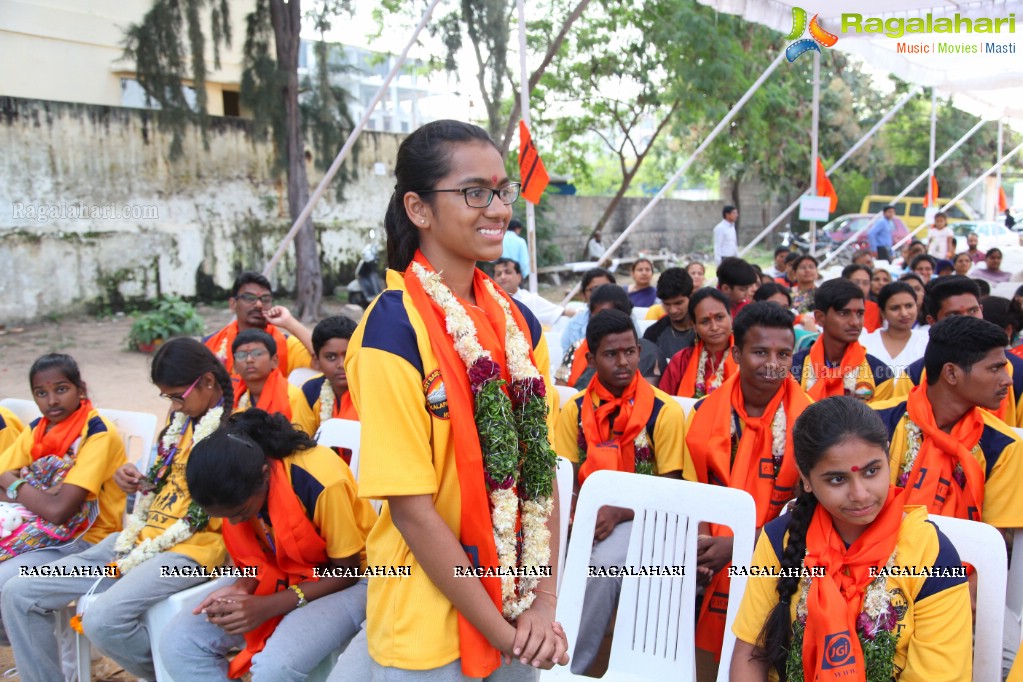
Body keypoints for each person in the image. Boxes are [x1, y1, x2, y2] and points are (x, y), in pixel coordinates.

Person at [340, 120, 568, 679]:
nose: (496, 209)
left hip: (518, 606)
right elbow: (412, 510)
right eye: (474, 193)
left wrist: (542, 605)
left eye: (501, 190)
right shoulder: (392, 329)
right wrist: (505, 632)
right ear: (418, 209)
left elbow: (543, 471)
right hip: (430, 632)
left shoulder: (522, 326)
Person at [3, 338, 231, 682]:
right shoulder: (179, 423)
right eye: (166, 397)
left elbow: (225, 505)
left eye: (177, 395)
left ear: (208, 382)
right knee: (21, 591)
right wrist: (138, 481)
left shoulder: (233, 432)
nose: (173, 405)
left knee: (103, 620)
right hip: (130, 542)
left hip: (186, 556)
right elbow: (164, 482)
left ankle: (180, 675)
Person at [729, 396, 972, 681]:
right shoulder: (780, 539)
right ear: (807, 480)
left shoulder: (932, 555)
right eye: (837, 479)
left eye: (872, 471)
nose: (860, 494)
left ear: (887, 458)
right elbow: (750, 654)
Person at [159, 409, 375, 681]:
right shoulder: (234, 485)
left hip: (355, 577)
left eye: (239, 512)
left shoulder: (319, 480)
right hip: (277, 570)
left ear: (264, 475)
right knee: (179, 644)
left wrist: (267, 606)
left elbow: (348, 571)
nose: (235, 523)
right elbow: (253, 558)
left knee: (273, 668)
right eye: (226, 517)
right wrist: (240, 588)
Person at [553, 309, 684, 675]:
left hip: (646, 519)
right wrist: (571, 519)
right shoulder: (575, 410)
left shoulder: (664, 411)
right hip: (588, 514)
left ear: (640, 352)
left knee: (603, 563)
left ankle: (569, 667)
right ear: (591, 359)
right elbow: (566, 477)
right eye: (611, 355)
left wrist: (619, 512)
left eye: (630, 351)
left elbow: (670, 489)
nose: (623, 362)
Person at [683, 303, 811, 663]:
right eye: (760, 352)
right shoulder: (702, 413)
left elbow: (811, 512)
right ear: (737, 353)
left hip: (786, 554)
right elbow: (693, 494)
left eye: (783, 354)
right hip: (707, 551)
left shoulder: (810, 422)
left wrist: (739, 546)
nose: (773, 363)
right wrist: (705, 544)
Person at [0, 354, 127, 643]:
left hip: (88, 543)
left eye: (61, 389)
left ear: (80, 389)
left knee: (7, 586)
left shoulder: (97, 433)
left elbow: (60, 511)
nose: (52, 401)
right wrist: (30, 489)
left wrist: (15, 482)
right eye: (41, 393)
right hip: (39, 534)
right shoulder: (38, 428)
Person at [871, 315, 1023, 529]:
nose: (1007, 380)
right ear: (951, 373)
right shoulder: (873, 423)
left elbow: (994, 542)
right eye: (995, 368)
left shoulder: (1004, 446)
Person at [875, 277, 1023, 428]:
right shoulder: (914, 374)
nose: (967, 321)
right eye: (954, 315)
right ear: (932, 322)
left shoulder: (1017, 373)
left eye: (973, 310)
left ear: (982, 310)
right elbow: (901, 423)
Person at [203, 272, 313, 378]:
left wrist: (289, 322)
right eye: (250, 298)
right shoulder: (210, 344)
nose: (259, 304)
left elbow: (322, 359)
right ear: (233, 304)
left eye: (265, 299)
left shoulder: (286, 344)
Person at [792, 279, 886, 402]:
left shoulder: (880, 373)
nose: (855, 322)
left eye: (860, 313)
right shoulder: (793, 368)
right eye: (844, 313)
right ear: (820, 318)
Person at [558, 285, 665, 389]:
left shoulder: (648, 352)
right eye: (597, 317)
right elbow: (560, 390)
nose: (603, 321)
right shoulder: (577, 347)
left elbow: (646, 397)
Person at [232, 329, 317, 436]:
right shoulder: (234, 397)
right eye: (241, 355)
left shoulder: (292, 396)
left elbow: (304, 440)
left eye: (257, 353)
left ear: (274, 361)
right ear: (234, 366)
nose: (249, 360)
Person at [659, 289, 736, 398]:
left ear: (731, 317)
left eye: (719, 317)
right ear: (694, 325)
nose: (714, 327)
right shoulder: (681, 361)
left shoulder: (749, 356)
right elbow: (663, 402)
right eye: (705, 321)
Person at [301, 315, 359, 438]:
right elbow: (302, 441)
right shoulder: (310, 391)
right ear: (317, 361)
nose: (341, 365)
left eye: (348, 354)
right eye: (331, 357)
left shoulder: (373, 391)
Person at [860, 282, 929, 372]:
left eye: (909, 306)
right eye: (895, 308)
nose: (904, 313)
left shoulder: (928, 341)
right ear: (882, 312)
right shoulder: (864, 343)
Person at [493, 258, 566, 327]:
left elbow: (559, 312)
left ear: (519, 277)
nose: (502, 277)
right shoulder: (489, 301)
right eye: (498, 274)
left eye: (508, 272)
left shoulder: (529, 300)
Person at [642, 267, 696, 360]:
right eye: (667, 304)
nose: (673, 310)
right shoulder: (653, 333)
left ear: (691, 296)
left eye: (678, 303)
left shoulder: (706, 330)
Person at [561, 267, 615, 356]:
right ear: (583, 295)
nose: (601, 293)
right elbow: (568, 362)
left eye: (606, 288)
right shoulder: (574, 324)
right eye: (594, 289)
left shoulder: (628, 318)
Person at [842, 264, 881, 332]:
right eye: (856, 282)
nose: (861, 287)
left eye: (865, 283)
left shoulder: (876, 309)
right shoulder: (835, 308)